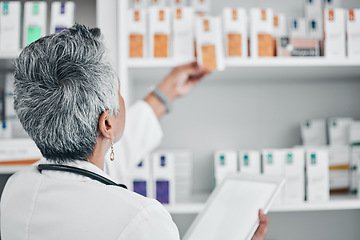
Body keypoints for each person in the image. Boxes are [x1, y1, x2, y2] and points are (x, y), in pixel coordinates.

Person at [0, 24, 268, 240]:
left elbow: (100, 171)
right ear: (107, 124)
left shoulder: (17, 190)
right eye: (119, 92)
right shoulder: (141, 220)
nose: (122, 99)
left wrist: (164, 93)